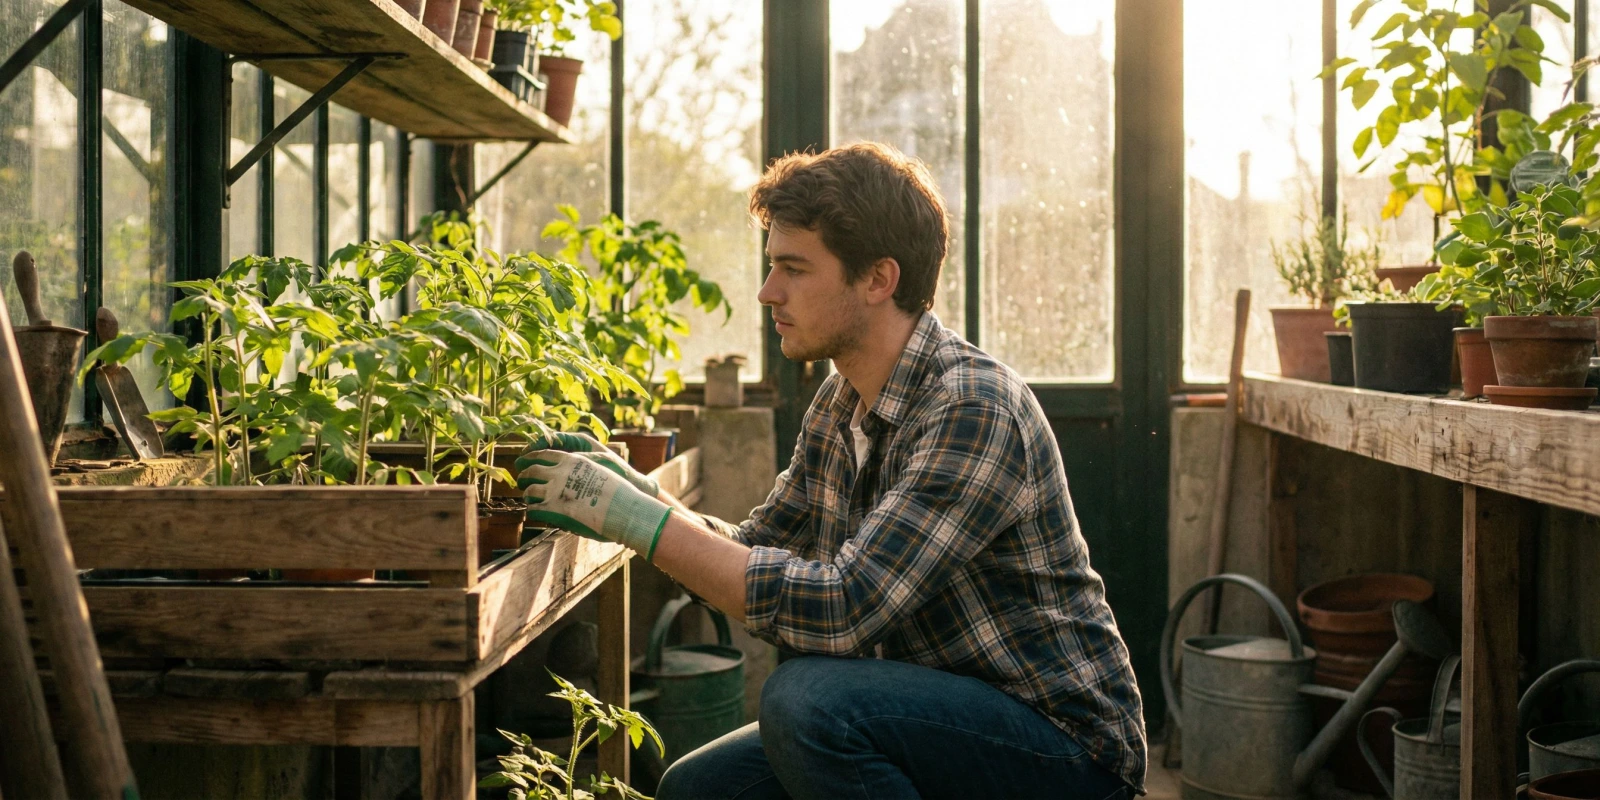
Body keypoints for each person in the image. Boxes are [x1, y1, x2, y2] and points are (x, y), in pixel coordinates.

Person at [516, 142, 1145, 800]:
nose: (767, 292)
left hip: (1066, 750)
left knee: (807, 701)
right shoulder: (841, 399)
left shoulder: (974, 408)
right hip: (936, 718)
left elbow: (846, 607)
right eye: (771, 267)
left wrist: (634, 521)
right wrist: (639, 495)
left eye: (793, 269)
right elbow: (759, 549)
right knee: (697, 790)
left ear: (878, 279)